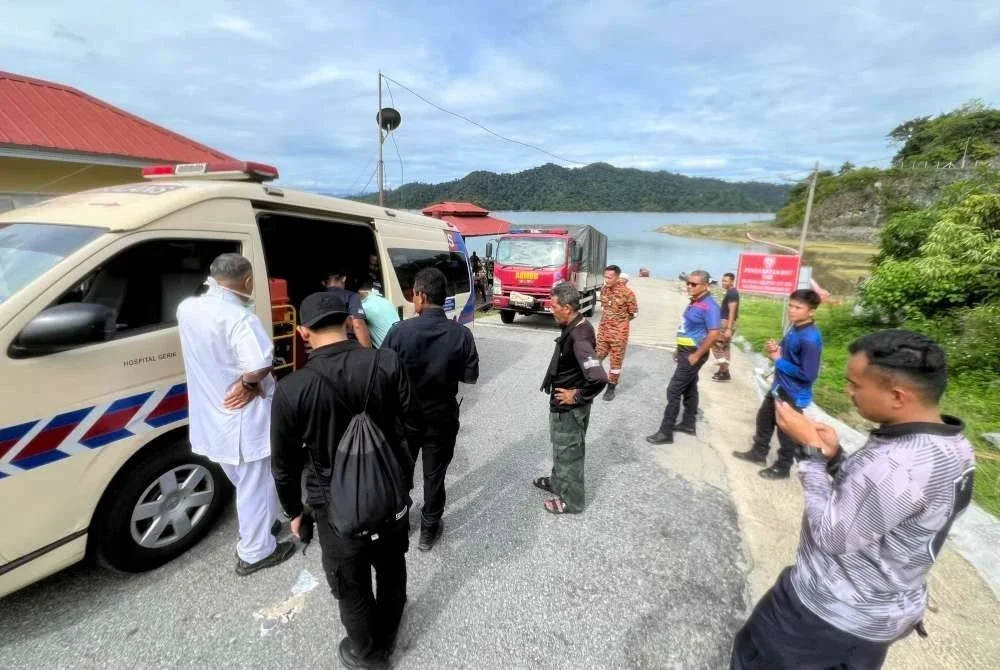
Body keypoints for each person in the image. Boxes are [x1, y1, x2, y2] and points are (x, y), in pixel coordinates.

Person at [730, 329, 976, 670]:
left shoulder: (897, 465)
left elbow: (832, 536)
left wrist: (810, 453)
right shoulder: (952, 446)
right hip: (876, 616)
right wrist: (835, 459)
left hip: (825, 618)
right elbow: (886, 505)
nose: (848, 392)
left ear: (898, 396)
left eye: (855, 385)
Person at [270, 292, 421, 669]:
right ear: (350, 322)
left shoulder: (292, 388)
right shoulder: (386, 362)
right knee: (391, 565)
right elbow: (413, 426)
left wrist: (294, 510)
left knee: (349, 581)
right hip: (389, 495)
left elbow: (284, 466)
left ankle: (367, 653)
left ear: (304, 332)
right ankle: (389, 630)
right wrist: (401, 475)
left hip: (332, 505)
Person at [176, 253, 295, 576]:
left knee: (246, 481)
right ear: (247, 281)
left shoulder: (187, 308)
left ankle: (265, 525)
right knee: (254, 484)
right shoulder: (239, 318)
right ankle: (255, 552)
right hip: (243, 418)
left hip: (212, 416)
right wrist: (248, 381)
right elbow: (259, 362)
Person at [382, 267, 480, 551]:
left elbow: (384, 373)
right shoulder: (461, 334)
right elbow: (469, 376)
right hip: (442, 414)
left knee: (401, 471)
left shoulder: (399, 331)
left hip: (405, 415)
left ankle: (399, 524)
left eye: (413, 293)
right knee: (434, 475)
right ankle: (428, 529)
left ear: (422, 296)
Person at [732, 289, 823, 480]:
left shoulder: (810, 339)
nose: (792, 310)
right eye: (791, 305)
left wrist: (778, 360)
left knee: (787, 432)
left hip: (793, 392)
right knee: (764, 419)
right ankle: (759, 453)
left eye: (798, 307)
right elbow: (786, 354)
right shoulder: (795, 328)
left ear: (811, 311)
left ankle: (783, 467)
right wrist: (776, 350)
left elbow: (809, 374)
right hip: (779, 386)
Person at [534, 282, 609, 514]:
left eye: (553, 305)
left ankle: (573, 501)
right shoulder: (576, 323)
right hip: (562, 406)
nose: (550, 308)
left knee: (570, 452)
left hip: (569, 408)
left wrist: (576, 395)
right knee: (562, 448)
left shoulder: (579, 337)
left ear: (567, 307)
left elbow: (598, 377)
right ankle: (558, 482)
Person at [646, 270, 720, 444]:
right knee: (690, 387)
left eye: (694, 284)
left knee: (673, 390)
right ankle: (688, 423)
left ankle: (666, 432)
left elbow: (714, 333)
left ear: (705, 286)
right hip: (685, 350)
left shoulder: (709, 305)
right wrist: (678, 348)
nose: (689, 286)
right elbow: (688, 328)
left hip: (694, 353)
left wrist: (697, 354)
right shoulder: (695, 302)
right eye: (688, 283)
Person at [595, 264, 638, 402]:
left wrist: (620, 323)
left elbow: (633, 313)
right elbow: (604, 308)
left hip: (619, 334)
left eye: (610, 277)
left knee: (615, 362)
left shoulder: (628, 293)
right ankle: (596, 380)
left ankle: (611, 388)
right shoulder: (604, 290)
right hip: (603, 330)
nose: (607, 280)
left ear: (617, 277)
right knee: (597, 357)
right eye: (605, 277)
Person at [323, 271, 372, 348]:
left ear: (324, 282)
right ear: (344, 279)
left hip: (321, 345)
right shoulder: (351, 296)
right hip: (345, 345)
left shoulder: (315, 298)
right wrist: (368, 351)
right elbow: (358, 324)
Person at [712, 272, 740, 382]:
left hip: (726, 323)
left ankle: (724, 371)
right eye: (723, 280)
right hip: (727, 322)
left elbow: (732, 311)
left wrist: (729, 328)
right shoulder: (731, 292)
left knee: (717, 347)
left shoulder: (732, 293)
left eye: (726, 281)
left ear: (732, 281)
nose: (723, 282)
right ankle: (723, 371)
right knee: (724, 347)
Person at [358, 282, 400, 349]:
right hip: (401, 346)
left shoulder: (364, 307)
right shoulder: (385, 301)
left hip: (387, 352)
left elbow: (356, 326)